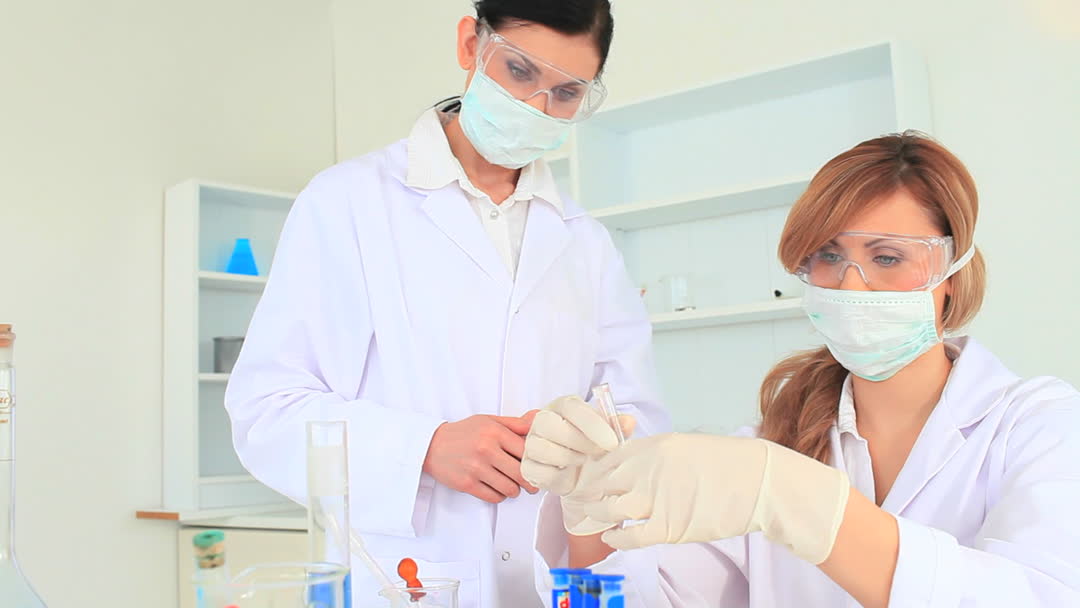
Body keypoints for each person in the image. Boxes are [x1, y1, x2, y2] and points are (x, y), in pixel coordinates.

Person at [224, 2, 670, 606]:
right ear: (470, 45)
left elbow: (638, 420)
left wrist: (589, 445)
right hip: (401, 580)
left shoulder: (585, 244)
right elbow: (267, 412)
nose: (537, 107)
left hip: (551, 584)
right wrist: (425, 448)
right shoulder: (348, 203)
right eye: (519, 71)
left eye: (567, 93)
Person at [523, 131, 1080, 606]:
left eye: (888, 257)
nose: (851, 285)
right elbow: (611, 603)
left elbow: (1042, 595)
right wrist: (591, 515)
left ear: (952, 273)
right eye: (829, 256)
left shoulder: (1037, 425)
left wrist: (800, 502)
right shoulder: (773, 447)